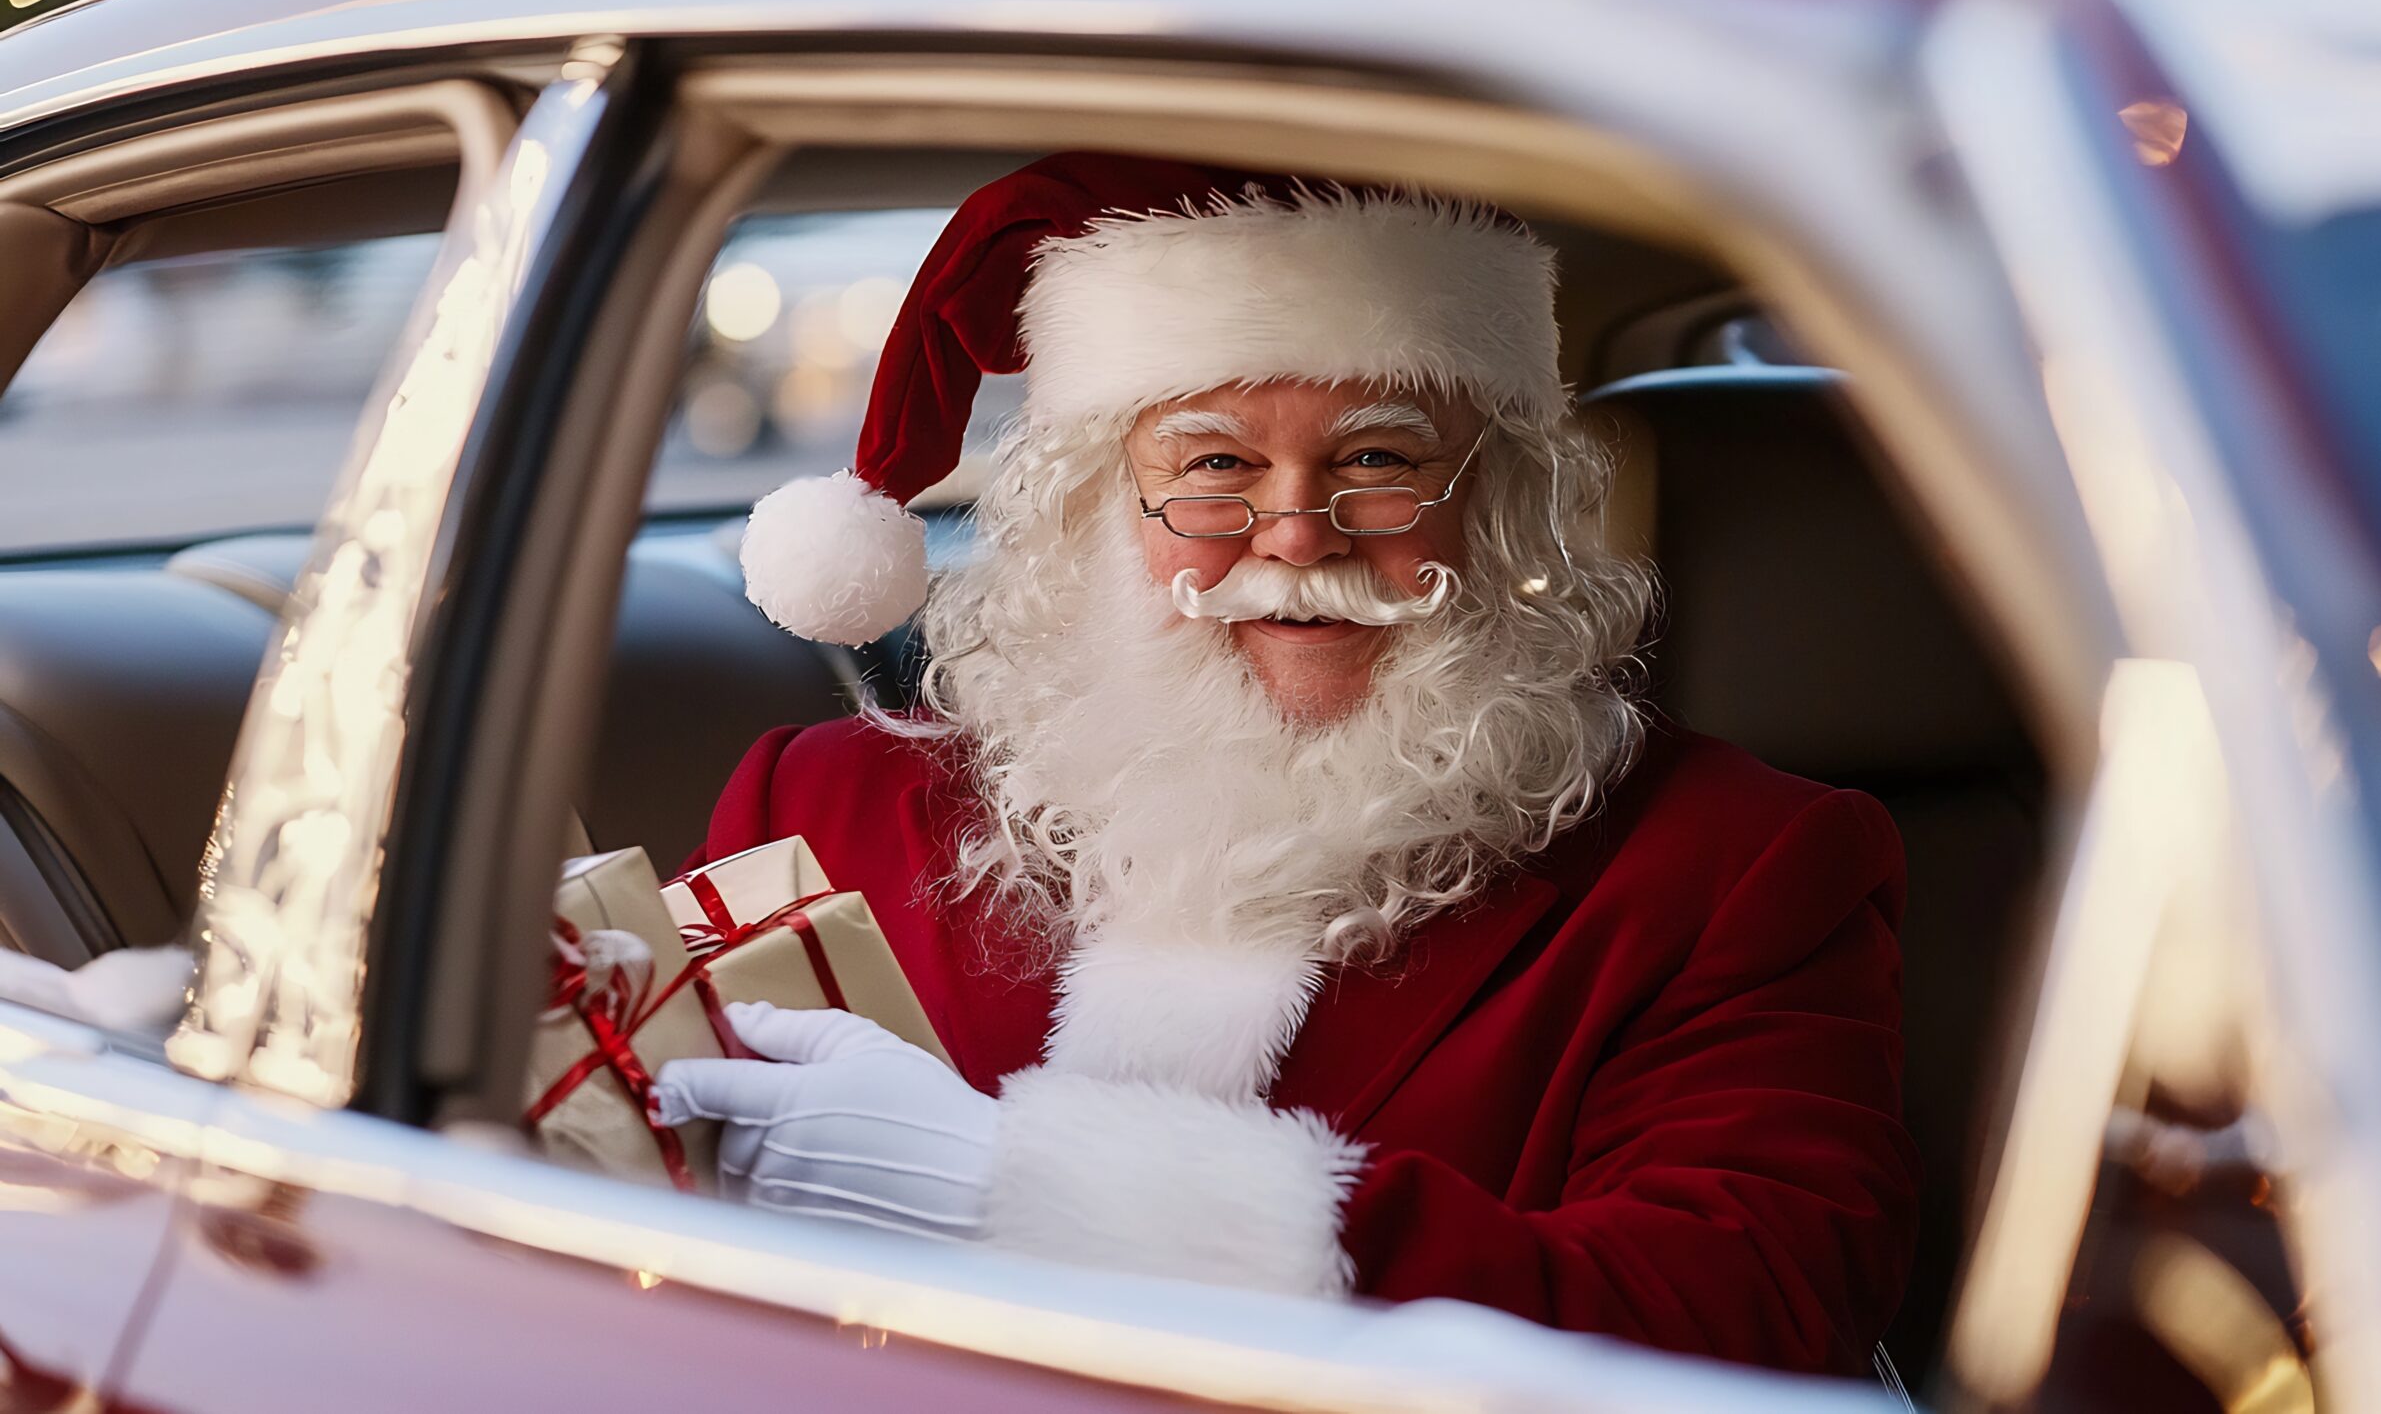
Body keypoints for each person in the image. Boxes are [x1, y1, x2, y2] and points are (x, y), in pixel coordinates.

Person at [649, 152, 1919, 1374]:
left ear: (1492, 499)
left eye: (1380, 458)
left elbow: (1747, 1315)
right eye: (1213, 466)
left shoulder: (1736, 866)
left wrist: (1027, 1192)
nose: (1300, 534)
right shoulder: (818, 805)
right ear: (1097, 500)